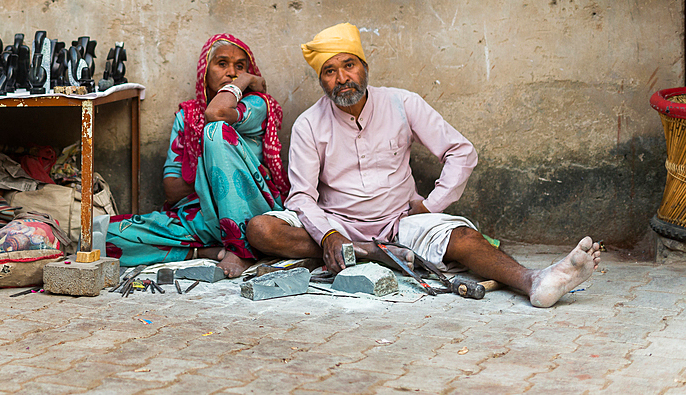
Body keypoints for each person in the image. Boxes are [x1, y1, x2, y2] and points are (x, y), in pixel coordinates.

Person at [246, 23, 601, 307]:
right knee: (262, 229)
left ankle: (534, 281)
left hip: (401, 223)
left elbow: (462, 152)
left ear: (364, 67)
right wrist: (329, 234)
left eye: (349, 66)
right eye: (330, 71)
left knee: (463, 237)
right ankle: (371, 253)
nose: (342, 79)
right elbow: (303, 197)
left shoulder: (402, 103)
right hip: (337, 225)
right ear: (321, 80)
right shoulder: (310, 123)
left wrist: (432, 205)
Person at [106, 34, 289, 277]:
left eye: (240, 67)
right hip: (202, 216)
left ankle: (241, 248)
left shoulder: (257, 105)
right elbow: (171, 189)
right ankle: (209, 252)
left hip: (252, 215)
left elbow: (218, 113)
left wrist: (244, 82)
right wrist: (210, 179)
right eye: (222, 64)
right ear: (206, 71)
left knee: (215, 133)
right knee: (106, 236)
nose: (232, 72)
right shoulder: (188, 114)